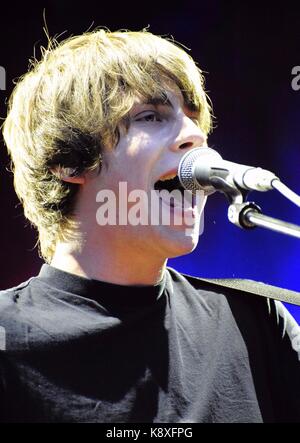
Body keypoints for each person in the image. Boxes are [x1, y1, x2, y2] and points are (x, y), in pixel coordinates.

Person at [0, 28, 299, 423]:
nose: (195, 135)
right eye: (151, 116)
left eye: (194, 119)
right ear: (69, 160)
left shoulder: (255, 320)